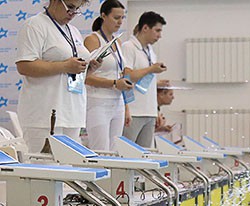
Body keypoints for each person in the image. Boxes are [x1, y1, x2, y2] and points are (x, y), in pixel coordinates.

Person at [15, 0, 101, 153]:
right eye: (70, 7)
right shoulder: (35, 25)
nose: (73, 13)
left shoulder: (72, 31)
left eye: (77, 9)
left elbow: (70, 72)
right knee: (44, 172)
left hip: (72, 113)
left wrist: (88, 69)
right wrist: (64, 66)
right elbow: (24, 65)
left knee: (68, 171)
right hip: (44, 116)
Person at [83, 0, 133, 151]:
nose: (120, 22)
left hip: (117, 103)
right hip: (98, 102)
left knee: (115, 152)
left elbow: (122, 75)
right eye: (116, 17)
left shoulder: (117, 42)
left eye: (122, 18)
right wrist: (113, 83)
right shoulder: (92, 40)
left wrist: (127, 106)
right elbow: (84, 77)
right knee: (101, 151)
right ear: (103, 16)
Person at [121, 11, 167, 148]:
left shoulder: (150, 51)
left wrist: (156, 111)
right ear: (145, 28)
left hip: (149, 110)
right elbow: (126, 76)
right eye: (157, 30)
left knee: (145, 157)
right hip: (134, 111)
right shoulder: (128, 47)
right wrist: (151, 69)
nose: (159, 35)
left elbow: (145, 80)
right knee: (129, 155)